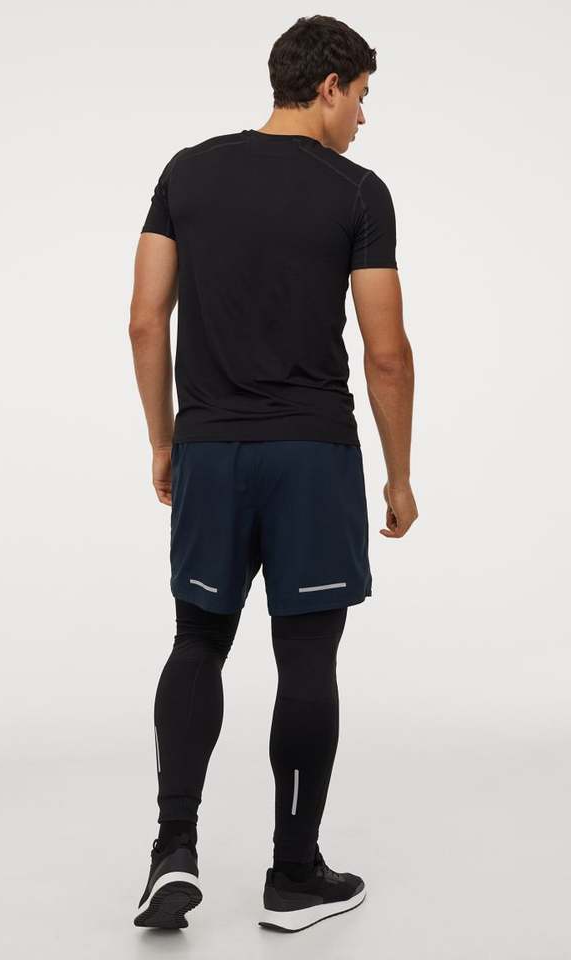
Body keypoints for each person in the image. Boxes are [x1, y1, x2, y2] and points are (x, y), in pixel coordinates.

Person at [129, 14, 418, 934]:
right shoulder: (358, 192)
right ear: (329, 86)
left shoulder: (186, 172)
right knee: (306, 656)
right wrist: (400, 476)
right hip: (311, 457)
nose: (363, 118)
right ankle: (293, 876)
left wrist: (164, 440)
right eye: (362, 97)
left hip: (211, 451)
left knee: (197, 642)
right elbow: (386, 355)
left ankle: (173, 851)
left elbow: (145, 319)